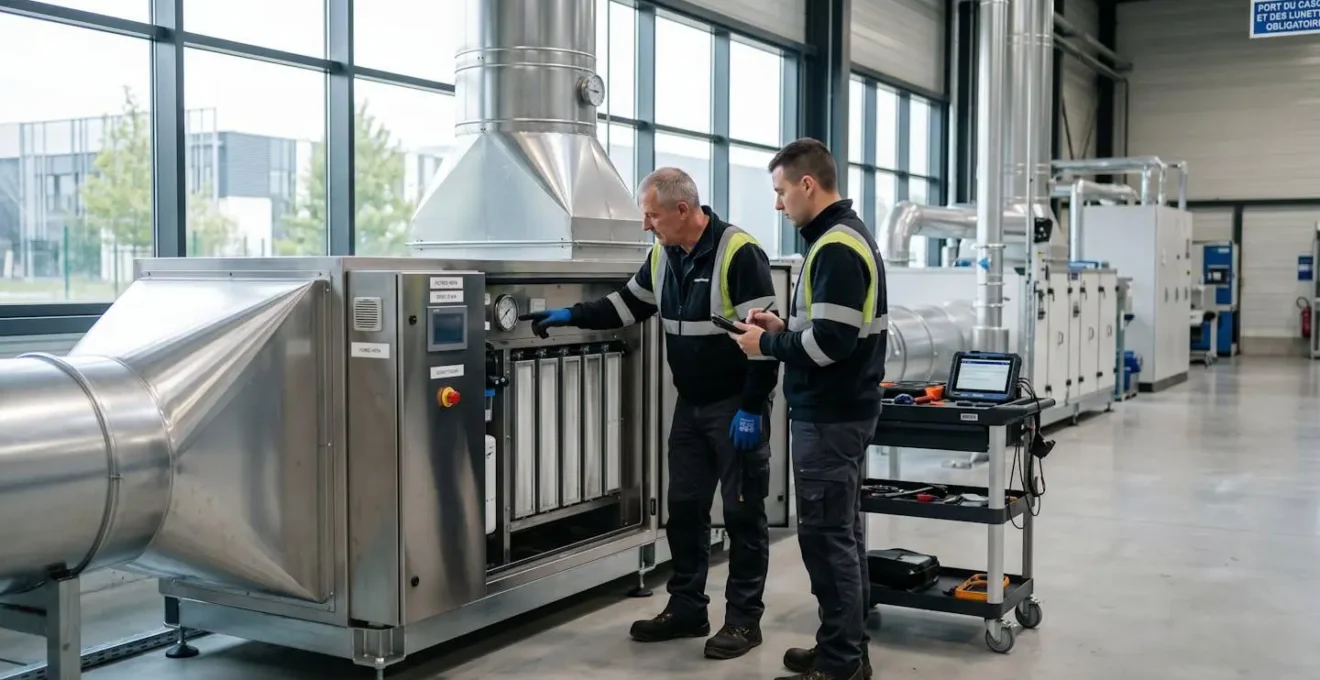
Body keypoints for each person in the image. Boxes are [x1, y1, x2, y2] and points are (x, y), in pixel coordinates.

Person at [520, 167, 780, 661]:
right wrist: (570, 315)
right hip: (691, 408)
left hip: (735, 408)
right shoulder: (663, 255)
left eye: (652, 214)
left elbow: (764, 343)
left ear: (683, 210)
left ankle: (744, 621)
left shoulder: (739, 253)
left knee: (744, 515)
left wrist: (751, 409)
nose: (646, 225)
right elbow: (626, 306)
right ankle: (687, 608)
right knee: (683, 512)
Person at [728, 138, 888, 680]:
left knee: (825, 539)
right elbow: (825, 331)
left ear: (807, 185)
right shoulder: (839, 238)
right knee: (841, 533)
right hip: (842, 410)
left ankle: (842, 663)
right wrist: (783, 327)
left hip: (831, 414)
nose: (778, 205)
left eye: (780, 192)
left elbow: (833, 346)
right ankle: (844, 647)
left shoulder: (836, 247)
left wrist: (764, 347)